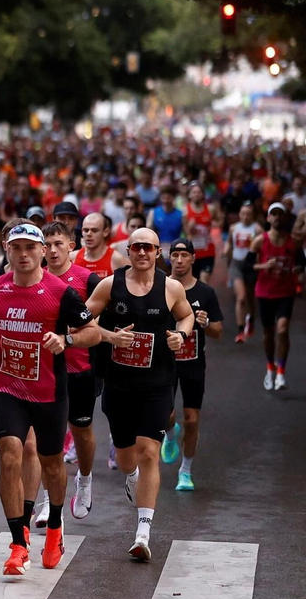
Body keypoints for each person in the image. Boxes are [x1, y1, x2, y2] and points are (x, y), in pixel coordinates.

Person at [0, 222, 100, 575]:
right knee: (10, 455)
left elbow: (91, 331)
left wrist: (68, 342)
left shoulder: (60, 292)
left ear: (42, 252)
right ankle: (18, 543)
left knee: (51, 463)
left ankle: (56, 526)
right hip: (8, 387)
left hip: (49, 391)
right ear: (7, 249)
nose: (23, 254)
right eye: (16, 248)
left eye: (30, 248)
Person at [85, 228, 194, 562]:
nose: (142, 253)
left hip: (158, 383)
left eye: (148, 247)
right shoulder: (110, 285)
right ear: (129, 251)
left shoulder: (171, 287)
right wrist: (108, 337)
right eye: (136, 247)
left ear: (157, 252)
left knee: (149, 452)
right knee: (126, 457)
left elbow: (186, 316)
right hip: (118, 385)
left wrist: (180, 334)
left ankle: (143, 534)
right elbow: (81, 322)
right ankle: (130, 476)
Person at [39, 221, 105, 523]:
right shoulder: (31, 279)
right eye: (48, 244)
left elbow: (98, 326)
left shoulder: (87, 279)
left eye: (58, 243)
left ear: (71, 246)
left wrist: (70, 338)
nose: (53, 250)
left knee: (81, 431)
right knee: (43, 439)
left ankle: (85, 479)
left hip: (80, 369)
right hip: (41, 372)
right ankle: (47, 499)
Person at [162, 238, 223, 491]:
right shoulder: (161, 288)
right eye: (174, 255)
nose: (178, 260)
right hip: (165, 362)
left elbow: (219, 331)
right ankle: (169, 434)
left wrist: (206, 323)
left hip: (194, 364)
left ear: (193, 259)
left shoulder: (205, 293)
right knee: (167, 415)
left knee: (192, 418)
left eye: (184, 255)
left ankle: (185, 472)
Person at [252, 205, 303, 390]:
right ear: (268, 218)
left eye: (280, 214)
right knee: (268, 335)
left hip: (285, 292)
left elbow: (301, 263)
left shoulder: (294, 242)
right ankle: (270, 368)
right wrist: (263, 266)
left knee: (282, 331)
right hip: (265, 292)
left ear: (285, 218)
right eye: (273, 214)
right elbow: (248, 266)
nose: (277, 218)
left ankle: (281, 370)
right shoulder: (260, 241)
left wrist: (298, 270)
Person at [227, 201, 260, 341]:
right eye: (243, 214)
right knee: (241, 297)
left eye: (249, 214)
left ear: (252, 216)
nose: (246, 217)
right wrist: (226, 250)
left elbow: (261, 247)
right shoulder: (233, 228)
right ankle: (240, 330)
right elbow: (229, 242)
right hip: (236, 265)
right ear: (239, 215)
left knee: (250, 297)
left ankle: (251, 319)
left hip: (251, 265)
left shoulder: (257, 229)